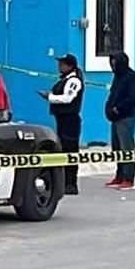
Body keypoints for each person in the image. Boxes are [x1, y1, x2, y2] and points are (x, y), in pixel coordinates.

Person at [38, 53, 83, 195]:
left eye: (62, 64)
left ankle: (71, 183)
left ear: (69, 66)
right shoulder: (64, 80)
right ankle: (64, 182)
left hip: (70, 119)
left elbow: (67, 98)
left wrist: (50, 97)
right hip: (62, 119)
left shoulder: (74, 80)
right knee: (63, 149)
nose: (59, 66)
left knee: (70, 150)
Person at [105, 51, 135, 190]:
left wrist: (118, 108)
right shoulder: (117, 77)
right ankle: (119, 175)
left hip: (125, 117)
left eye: (115, 64)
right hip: (115, 118)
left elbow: (132, 98)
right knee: (117, 148)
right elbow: (113, 93)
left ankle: (128, 178)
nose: (113, 67)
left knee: (127, 148)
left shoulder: (132, 77)